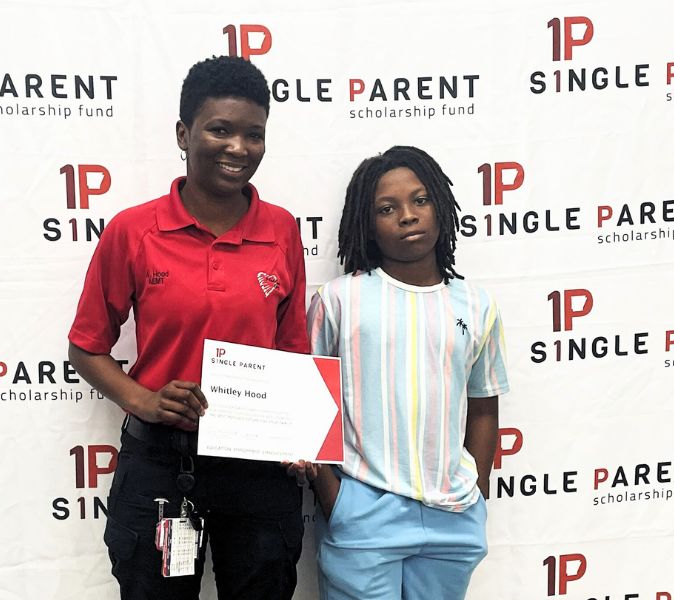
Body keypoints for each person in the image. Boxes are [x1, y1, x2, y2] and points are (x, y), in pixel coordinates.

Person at [67, 56, 309, 600]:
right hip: (161, 463)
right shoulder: (133, 231)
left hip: (258, 467)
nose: (238, 148)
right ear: (184, 133)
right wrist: (145, 401)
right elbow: (86, 347)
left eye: (254, 134)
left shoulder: (282, 230)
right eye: (220, 129)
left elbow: (293, 349)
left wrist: (300, 433)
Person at [306, 145, 509, 600]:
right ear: (367, 225)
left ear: (440, 204)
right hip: (362, 512)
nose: (408, 216)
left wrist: (476, 491)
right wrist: (332, 496)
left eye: (420, 200)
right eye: (387, 208)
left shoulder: (477, 306)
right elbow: (312, 407)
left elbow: (483, 409)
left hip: (453, 517)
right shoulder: (339, 300)